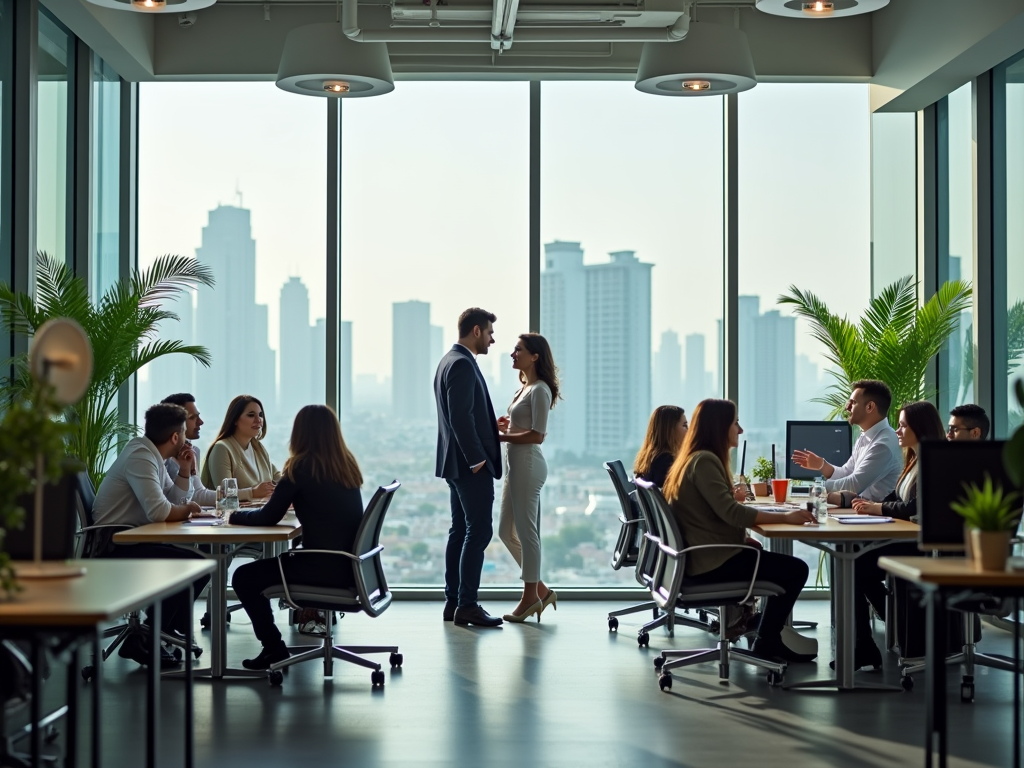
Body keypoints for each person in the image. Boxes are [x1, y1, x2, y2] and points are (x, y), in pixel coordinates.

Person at [662, 399, 816, 664]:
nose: (740, 430)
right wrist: (786, 517)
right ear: (720, 427)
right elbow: (732, 513)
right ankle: (767, 641)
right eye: (735, 423)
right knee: (796, 570)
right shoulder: (705, 461)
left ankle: (767, 634)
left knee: (778, 564)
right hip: (711, 564)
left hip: (699, 559)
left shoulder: (693, 459)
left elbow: (716, 511)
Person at [229, 405, 365, 670]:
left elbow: (267, 517)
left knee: (243, 578)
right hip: (348, 567)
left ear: (300, 433)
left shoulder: (301, 466)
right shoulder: (345, 464)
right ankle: (273, 647)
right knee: (260, 571)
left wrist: (233, 516)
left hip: (321, 568)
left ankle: (273, 648)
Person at [92, 403, 210, 668]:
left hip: (134, 538)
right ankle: (149, 635)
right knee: (194, 567)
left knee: (198, 564)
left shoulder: (153, 456)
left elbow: (173, 499)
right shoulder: (140, 456)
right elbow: (160, 511)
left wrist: (183, 470)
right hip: (115, 544)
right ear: (176, 437)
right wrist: (188, 510)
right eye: (184, 430)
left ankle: (155, 633)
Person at [845, 401, 947, 669]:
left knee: (855, 564)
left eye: (903, 425)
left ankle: (867, 644)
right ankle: (888, 629)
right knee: (856, 563)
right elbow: (896, 497)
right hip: (907, 540)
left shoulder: (933, 461)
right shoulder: (914, 460)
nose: (898, 431)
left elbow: (916, 507)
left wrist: (877, 507)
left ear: (920, 428)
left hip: (920, 546)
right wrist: (863, 505)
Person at [435, 307, 503, 628]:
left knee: (460, 530)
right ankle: (468, 605)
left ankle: (454, 601)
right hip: (468, 465)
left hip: (454, 463)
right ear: (476, 331)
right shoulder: (462, 364)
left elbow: (464, 414)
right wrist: (478, 460)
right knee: (479, 532)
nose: (492, 338)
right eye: (489, 332)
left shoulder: (449, 361)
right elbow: (461, 417)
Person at [496, 333, 560, 623]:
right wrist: (506, 425)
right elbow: (523, 426)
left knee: (526, 534)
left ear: (534, 356)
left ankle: (529, 597)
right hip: (515, 466)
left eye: (518, 350)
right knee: (505, 532)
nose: (513, 354)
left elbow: (538, 435)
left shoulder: (540, 390)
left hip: (529, 466)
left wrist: (500, 435)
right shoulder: (525, 388)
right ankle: (542, 590)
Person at [792, 379, 902, 506]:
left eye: (853, 402)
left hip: (877, 517)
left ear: (870, 407)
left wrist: (817, 488)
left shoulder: (883, 445)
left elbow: (853, 485)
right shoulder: (865, 436)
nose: (847, 407)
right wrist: (821, 465)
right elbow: (847, 472)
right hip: (861, 511)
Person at [200, 394, 280, 500]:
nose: (258, 420)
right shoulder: (221, 449)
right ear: (235, 420)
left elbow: (278, 478)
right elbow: (223, 494)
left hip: (261, 513)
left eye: (260, 415)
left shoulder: (258, 448)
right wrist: (252, 493)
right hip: (232, 515)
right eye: (251, 415)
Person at [160, 392, 217, 506]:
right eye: (192, 417)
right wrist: (249, 493)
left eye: (198, 416)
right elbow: (195, 497)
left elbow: (197, 493)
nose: (201, 422)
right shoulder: (162, 456)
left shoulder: (192, 450)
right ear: (175, 423)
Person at [634, 406, 688, 488]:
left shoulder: (653, 458)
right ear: (670, 430)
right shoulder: (664, 461)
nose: (689, 430)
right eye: (684, 426)